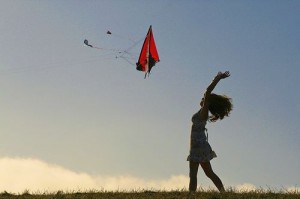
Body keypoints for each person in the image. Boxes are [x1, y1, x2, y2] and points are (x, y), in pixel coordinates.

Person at [187, 71, 233, 192]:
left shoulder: (203, 112)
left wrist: (217, 78)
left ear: (207, 102)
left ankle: (191, 195)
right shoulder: (202, 112)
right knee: (209, 173)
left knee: (193, 174)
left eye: (204, 98)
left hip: (198, 148)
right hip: (199, 146)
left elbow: (207, 91)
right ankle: (223, 192)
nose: (202, 98)